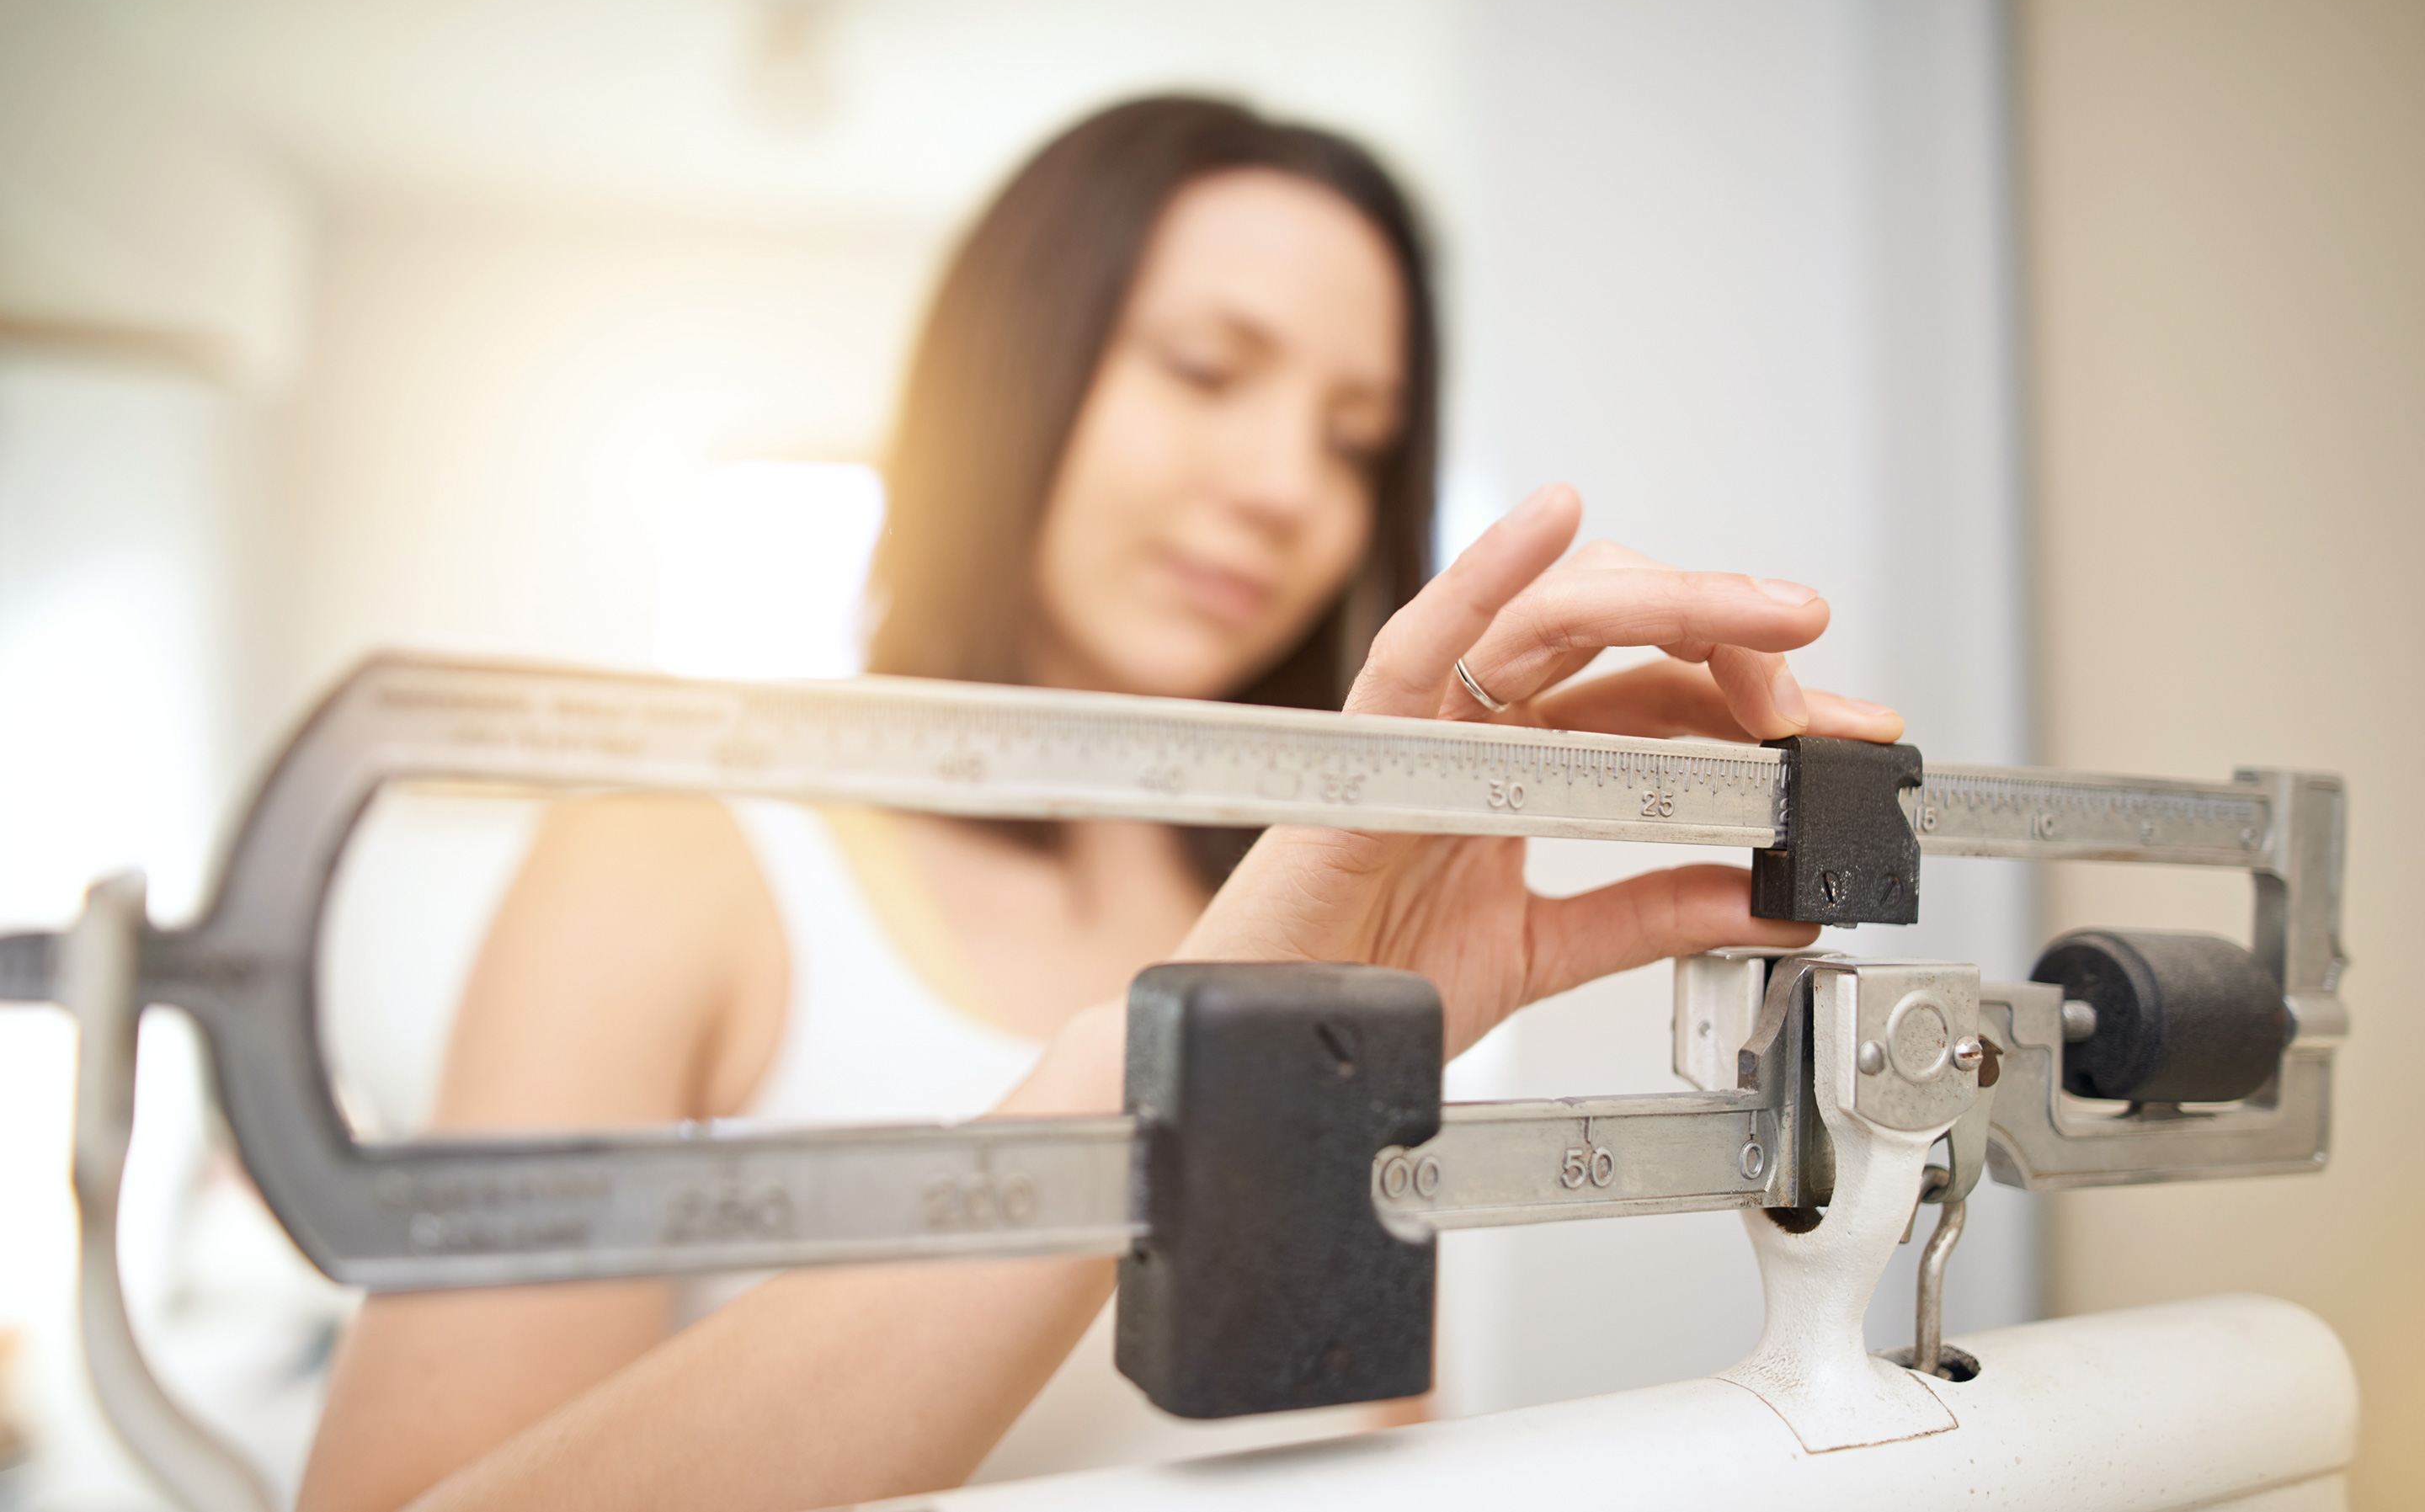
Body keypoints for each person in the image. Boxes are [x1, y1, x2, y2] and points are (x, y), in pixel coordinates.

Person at [299, 95, 1902, 1512]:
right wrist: (1148, 1094)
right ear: (1016, 367)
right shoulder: (672, 861)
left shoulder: (1354, 933)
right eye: (1207, 369)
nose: (1288, 486)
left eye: (1354, 439)